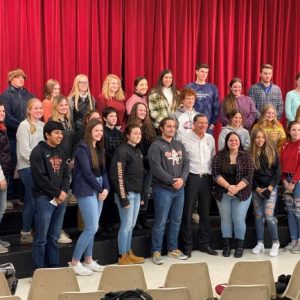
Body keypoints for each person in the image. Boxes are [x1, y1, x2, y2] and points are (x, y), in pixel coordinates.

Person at [70, 119, 109, 275]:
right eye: (96, 130)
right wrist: (100, 189)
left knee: (93, 227)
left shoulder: (99, 148)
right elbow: (86, 173)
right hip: (86, 188)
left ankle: (88, 260)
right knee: (91, 227)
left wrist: (106, 187)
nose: (99, 133)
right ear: (89, 131)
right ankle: (74, 262)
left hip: (98, 187)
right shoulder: (81, 148)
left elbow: (104, 171)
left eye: (101, 130)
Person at [148, 117, 189, 265]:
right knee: (160, 221)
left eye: (174, 127)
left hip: (179, 189)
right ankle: (156, 251)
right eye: (169, 126)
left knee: (176, 220)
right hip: (163, 189)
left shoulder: (179, 145)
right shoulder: (156, 146)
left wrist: (182, 180)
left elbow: (186, 164)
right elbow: (156, 168)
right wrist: (172, 181)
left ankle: (172, 249)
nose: (172, 129)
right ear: (162, 128)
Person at [30, 121, 70, 269]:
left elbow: (66, 174)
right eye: (56, 133)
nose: (60, 136)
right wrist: (57, 193)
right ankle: (39, 270)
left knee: (54, 236)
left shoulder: (62, 151)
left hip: (60, 200)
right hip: (44, 199)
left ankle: (53, 267)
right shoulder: (38, 152)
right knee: (41, 238)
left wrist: (64, 191)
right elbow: (40, 178)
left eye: (61, 133)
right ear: (47, 134)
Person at [178, 114, 218, 257]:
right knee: (188, 212)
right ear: (193, 124)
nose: (203, 125)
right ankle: (187, 246)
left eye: (205, 123)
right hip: (191, 178)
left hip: (206, 179)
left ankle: (204, 244)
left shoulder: (210, 138)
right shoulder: (184, 138)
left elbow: (213, 158)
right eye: (200, 123)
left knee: (205, 213)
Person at [212, 132, 254, 258]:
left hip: (242, 192)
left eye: (236, 140)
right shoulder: (219, 156)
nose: (234, 142)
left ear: (240, 142)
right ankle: (227, 246)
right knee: (225, 219)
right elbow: (215, 174)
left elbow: (249, 176)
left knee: (238, 219)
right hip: (223, 192)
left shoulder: (246, 156)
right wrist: (229, 187)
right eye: (231, 140)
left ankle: (239, 246)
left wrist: (236, 188)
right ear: (227, 142)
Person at [110, 124, 145, 265]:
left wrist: (141, 195)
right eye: (135, 133)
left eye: (140, 134)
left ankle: (128, 252)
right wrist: (123, 198)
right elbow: (118, 175)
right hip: (127, 194)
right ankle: (122, 255)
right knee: (125, 225)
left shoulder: (137, 151)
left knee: (131, 225)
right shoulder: (122, 151)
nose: (138, 135)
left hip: (136, 194)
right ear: (128, 135)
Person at [0, 68, 34, 199]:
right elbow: (6, 116)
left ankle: (23, 194)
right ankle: (10, 195)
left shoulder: (29, 95)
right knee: (12, 164)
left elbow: (34, 111)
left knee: (26, 164)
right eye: (18, 77)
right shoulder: (5, 95)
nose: (21, 79)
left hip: (28, 137)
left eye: (23, 77)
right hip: (12, 137)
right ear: (11, 79)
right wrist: (23, 126)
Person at [16, 98, 44, 244]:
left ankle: (37, 231)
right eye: (36, 108)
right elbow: (24, 152)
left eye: (41, 108)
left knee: (40, 200)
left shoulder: (43, 125)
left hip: (40, 169)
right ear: (29, 110)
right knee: (31, 199)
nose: (39, 110)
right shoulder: (23, 126)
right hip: (27, 167)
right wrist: (40, 165)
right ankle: (25, 232)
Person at [250, 127, 281, 256]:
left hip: (270, 188)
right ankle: (260, 243)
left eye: (262, 137)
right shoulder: (249, 153)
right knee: (258, 216)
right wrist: (257, 188)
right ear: (253, 139)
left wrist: (269, 188)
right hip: (256, 188)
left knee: (269, 216)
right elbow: (249, 174)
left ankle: (275, 243)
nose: (260, 140)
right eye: (257, 137)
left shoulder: (272, 151)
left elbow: (277, 173)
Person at [49, 95, 75, 243]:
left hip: (68, 164)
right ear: (55, 106)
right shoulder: (53, 122)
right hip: (58, 164)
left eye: (66, 105)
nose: (64, 107)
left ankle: (59, 229)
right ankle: (56, 232)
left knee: (64, 199)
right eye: (61, 105)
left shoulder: (67, 122)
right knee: (59, 199)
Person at [128, 102, 156, 229]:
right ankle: (136, 220)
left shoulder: (150, 127)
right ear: (135, 111)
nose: (143, 112)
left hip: (148, 164)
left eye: (144, 110)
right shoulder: (130, 127)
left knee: (145, 191)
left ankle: (143, 218)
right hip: (136, 164)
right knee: (137, 191)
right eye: (140, 110)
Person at [100, 107, 123, 232]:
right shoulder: (102, 133)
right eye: (111, 116)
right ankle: (105, 222)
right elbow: (103, 152)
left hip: (118, 169)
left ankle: (114, 220)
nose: (114, 119)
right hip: (107, 168)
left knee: (117, 194)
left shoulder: (119, 133)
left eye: (115, 116)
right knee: (107, 196)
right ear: (104, 118)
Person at [281, 121, 300, 254]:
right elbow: (282, 163)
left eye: (299, 130)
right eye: (294, 130)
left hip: (297, 181)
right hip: (286, 180)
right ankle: (293, 240)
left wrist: (293, 183)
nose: (296, 132)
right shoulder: (285, 145)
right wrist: (284, 181)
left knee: (298, 212)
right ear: (289, 131)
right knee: (290, 211)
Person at [186, 63, 219, 134]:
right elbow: (184, 105)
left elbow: (216, 107)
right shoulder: (189, 87)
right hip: (191, 124)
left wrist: (213, 124)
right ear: (196, 72)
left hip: (207, 125)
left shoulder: (213, 88)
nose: (204, 74)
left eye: (206, 72)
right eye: (202, 72)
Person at [0, 101, 12, 253]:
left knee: (1, 208)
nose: (2, 113)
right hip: (0, 175)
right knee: (1, 208)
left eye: (3, 111)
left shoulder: (2, 128)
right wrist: (1, 177)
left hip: (5, 172)